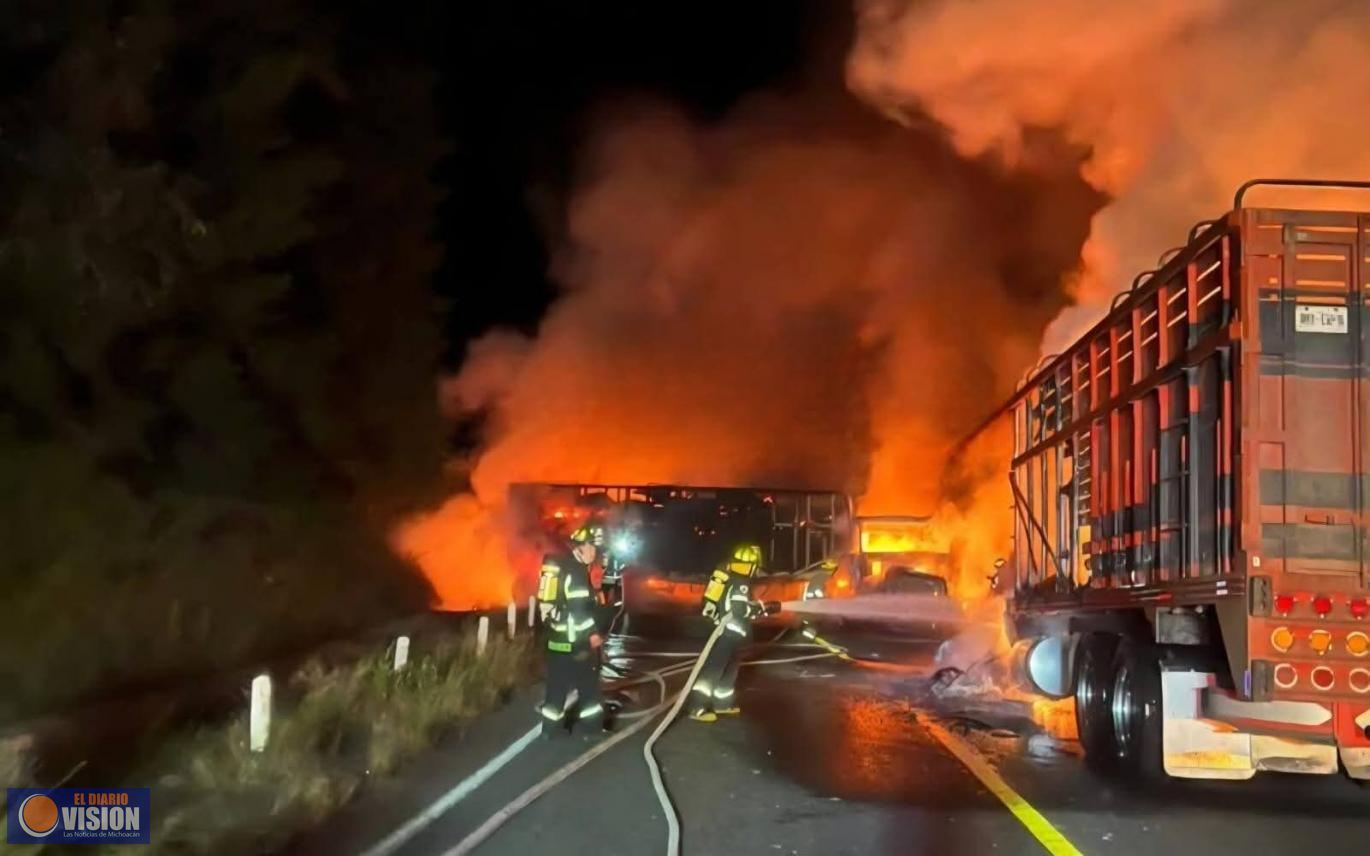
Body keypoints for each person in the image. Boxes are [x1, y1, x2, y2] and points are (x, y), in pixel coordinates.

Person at [688, 542, 774, 722]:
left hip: (734, 635)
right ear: (750, 566)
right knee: (714, 670)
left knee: (729, 671)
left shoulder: (734, 579)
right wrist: (760, 610)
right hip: (727, 634)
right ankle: (697, 707)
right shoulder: (741, 583)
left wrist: (758, 608)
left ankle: (722, 704)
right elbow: (739, 610)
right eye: (755, 566)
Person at [538, 526, 606, 737]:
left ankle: (550, 732)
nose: (594, 553)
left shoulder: (562, 567)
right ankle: (593, 732)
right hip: (575, 644)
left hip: (555, 642)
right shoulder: (576, 572)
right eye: (591, 548)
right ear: (580, 547)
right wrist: (593, 634)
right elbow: (578, 612)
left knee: (556, 690)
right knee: (589, 689)